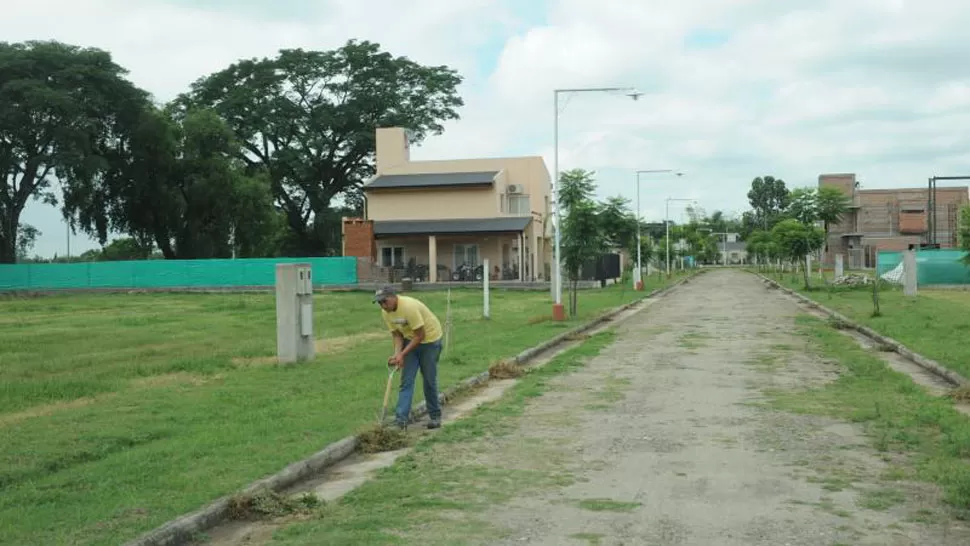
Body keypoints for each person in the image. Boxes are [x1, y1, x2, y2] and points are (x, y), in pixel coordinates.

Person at [373, 285, 444, 430]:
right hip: (410, 340)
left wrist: (402, 354)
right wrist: (397, 354)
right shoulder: (386, 313)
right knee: (406, 381)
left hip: (430, 341)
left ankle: (435, 416)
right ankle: (401, 421)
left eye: (385, 301)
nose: (383, 305)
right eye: (380, 303)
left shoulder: (409, 307)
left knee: (429, 380)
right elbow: (397, 335)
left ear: (393, 297)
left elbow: (420, 335)